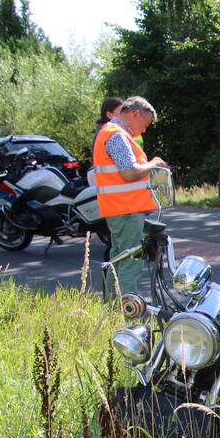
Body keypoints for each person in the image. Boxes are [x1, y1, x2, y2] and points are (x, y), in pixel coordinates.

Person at [93, 95, 167, 299]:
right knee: (129, 263)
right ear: (135, 113)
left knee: (119, 260)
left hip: (120, 209)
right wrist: (153, 164)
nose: (144, 130)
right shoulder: (117, 135)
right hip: (126, 209)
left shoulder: (112, 133)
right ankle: (125, 313)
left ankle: (112, 309)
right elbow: (130, 172)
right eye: (145, 123)